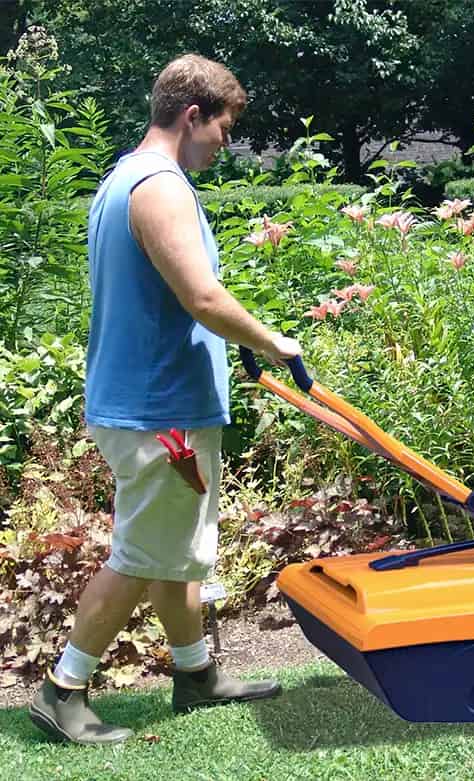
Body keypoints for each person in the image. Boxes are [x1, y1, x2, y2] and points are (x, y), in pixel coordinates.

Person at [29, 53, 302, 745]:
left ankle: (195, 672)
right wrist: (274, 341)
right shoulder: (161, 187)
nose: (225, 143)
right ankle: (62, 687)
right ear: (191, 116)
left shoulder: (124, 177)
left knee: (171, 546)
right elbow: (201, 295)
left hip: (150, 401)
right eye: (224, 128)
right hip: (159, 412)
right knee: (143, 553)